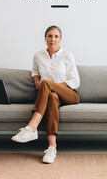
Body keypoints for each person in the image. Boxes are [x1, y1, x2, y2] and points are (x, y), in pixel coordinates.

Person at [12, 25, 80, 164]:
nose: (52, 39)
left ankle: (31, 128)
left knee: (47, 84)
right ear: (45, 38)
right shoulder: (38, 55)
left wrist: (50, 86)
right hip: (51, 96)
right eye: (49, 36)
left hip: (70, 94)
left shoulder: (67, 56)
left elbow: (75, 80)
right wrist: (37, 80)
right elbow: (34, 71)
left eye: (56, 36)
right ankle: (51, 148)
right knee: (52, 97)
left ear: (60, 39)